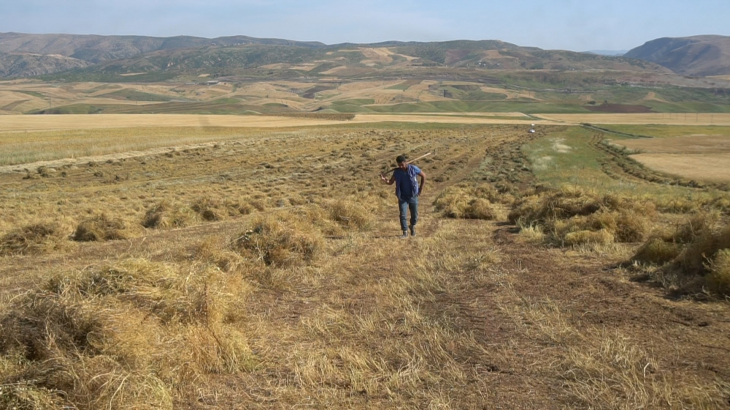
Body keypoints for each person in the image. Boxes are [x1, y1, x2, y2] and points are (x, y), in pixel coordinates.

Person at [380, 155, 426, 238]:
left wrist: (420, 189)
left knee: (414, 215)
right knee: (402, 214)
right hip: (402, 196)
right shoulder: (397, 172)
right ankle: (405, 232)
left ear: (405, 162)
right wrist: (384, 179)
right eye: (399, 165)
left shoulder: (413, 168)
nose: (401, 166)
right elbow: (391, 182)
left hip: (413, 195)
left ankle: (412, 226)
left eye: (402, 164)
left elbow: (424, 176)